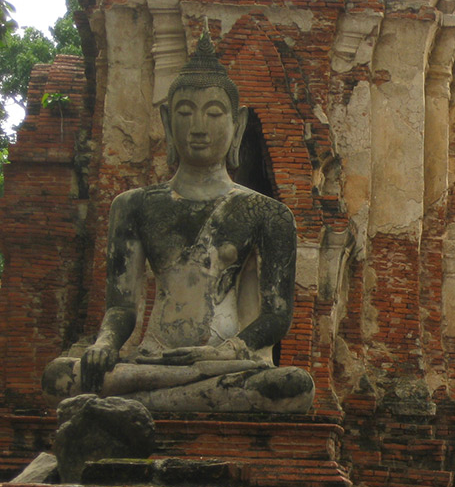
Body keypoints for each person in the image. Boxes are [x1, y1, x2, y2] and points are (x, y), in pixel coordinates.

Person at [43, 31, 314, 413]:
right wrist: (105, 344)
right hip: (152, 359)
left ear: (237, 125)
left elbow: (276, 316)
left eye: (214, 113)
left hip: (223, 362)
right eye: (186, 112)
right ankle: (161, 397)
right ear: (168, 121)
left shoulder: (267, 213)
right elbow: (122, 307)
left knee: (292, 386)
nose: (198, 126)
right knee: (59, 377)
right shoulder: (134, 206)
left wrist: (222, 353)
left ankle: (142, 404)